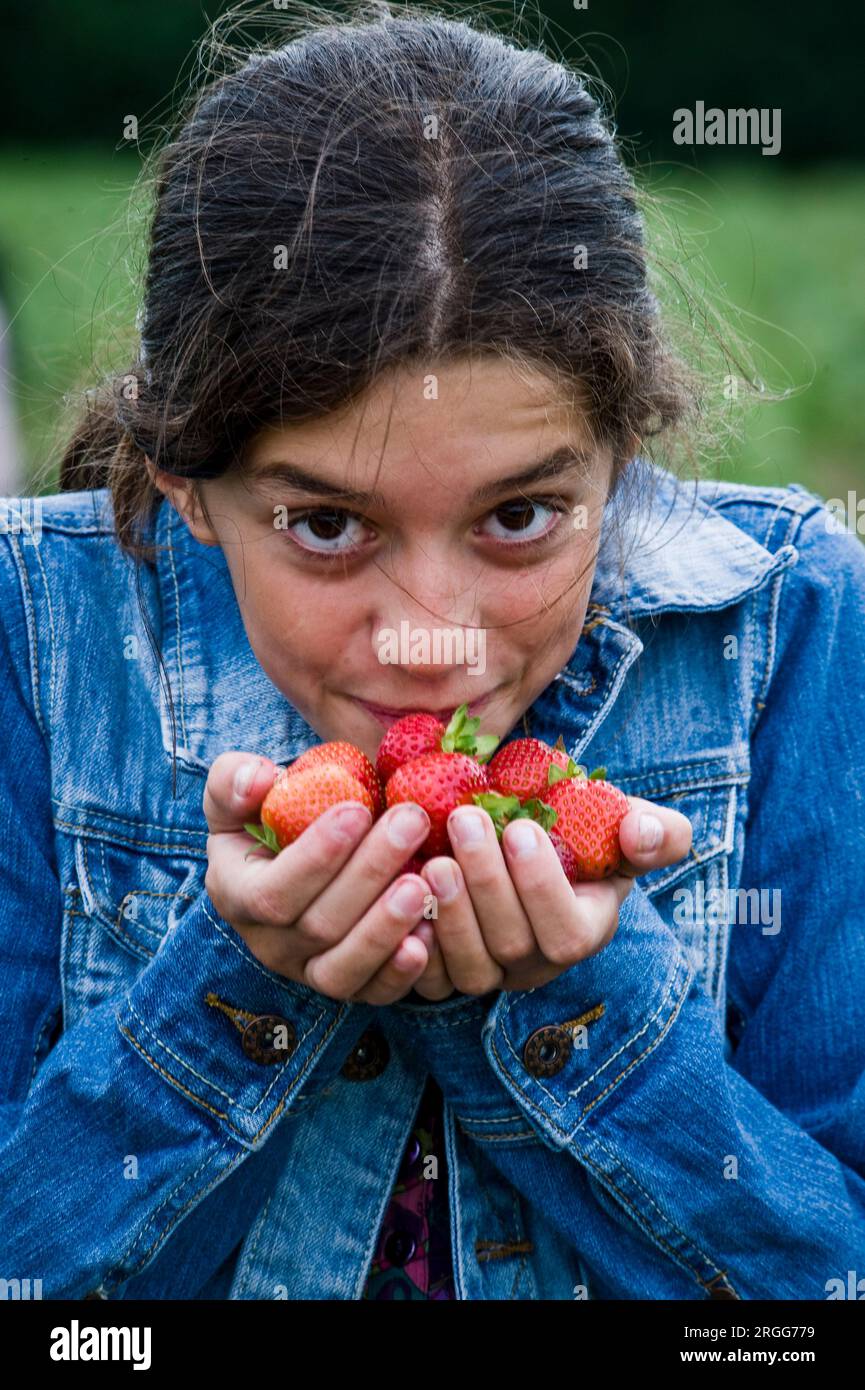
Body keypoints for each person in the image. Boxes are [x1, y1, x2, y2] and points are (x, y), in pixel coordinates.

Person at [0, 5, 863, 1301]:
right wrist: (236, 985)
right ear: (186, 486)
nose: (431, 631)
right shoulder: (31, 638)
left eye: (520, 516)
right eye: (329, 525)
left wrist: (582, 1000)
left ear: (619, 463)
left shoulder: (789, 624)